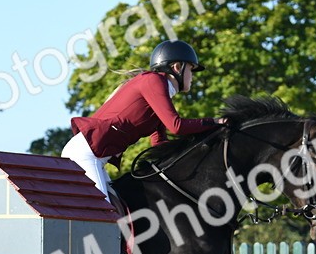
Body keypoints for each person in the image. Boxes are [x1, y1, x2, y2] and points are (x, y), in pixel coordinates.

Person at [62, 40, 224, 203]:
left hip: (95, 157)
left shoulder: (158, 92)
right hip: (85, 154)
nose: (193, 76)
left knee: (120, 210)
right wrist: (216, 122)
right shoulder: (153, 81)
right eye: (191, 69)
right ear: (177, 67)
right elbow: (177, 126)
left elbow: (159, 144)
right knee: (103, 211)